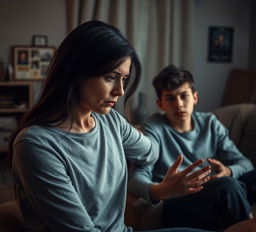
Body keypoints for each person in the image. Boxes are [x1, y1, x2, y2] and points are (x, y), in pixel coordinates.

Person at [8, 21, 213, 232]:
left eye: (124, 79)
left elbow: (151, 152)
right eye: (111, 78)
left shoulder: (110, 121)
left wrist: (159, 190)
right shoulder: (36, 146)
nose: (121, 91)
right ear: (76, 72)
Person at [128, 64, 256, 231]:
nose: (179, 104)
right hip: (177, 202)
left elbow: (245, 163)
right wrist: (161, 190)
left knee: (238, 181)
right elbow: (135, 179)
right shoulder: (153, 128)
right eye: (170, 98)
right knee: (228, 186)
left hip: (213, 189)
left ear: (195, 97)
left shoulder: (210, 123)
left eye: (184, 96)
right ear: (160, 104)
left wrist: (229, 171)